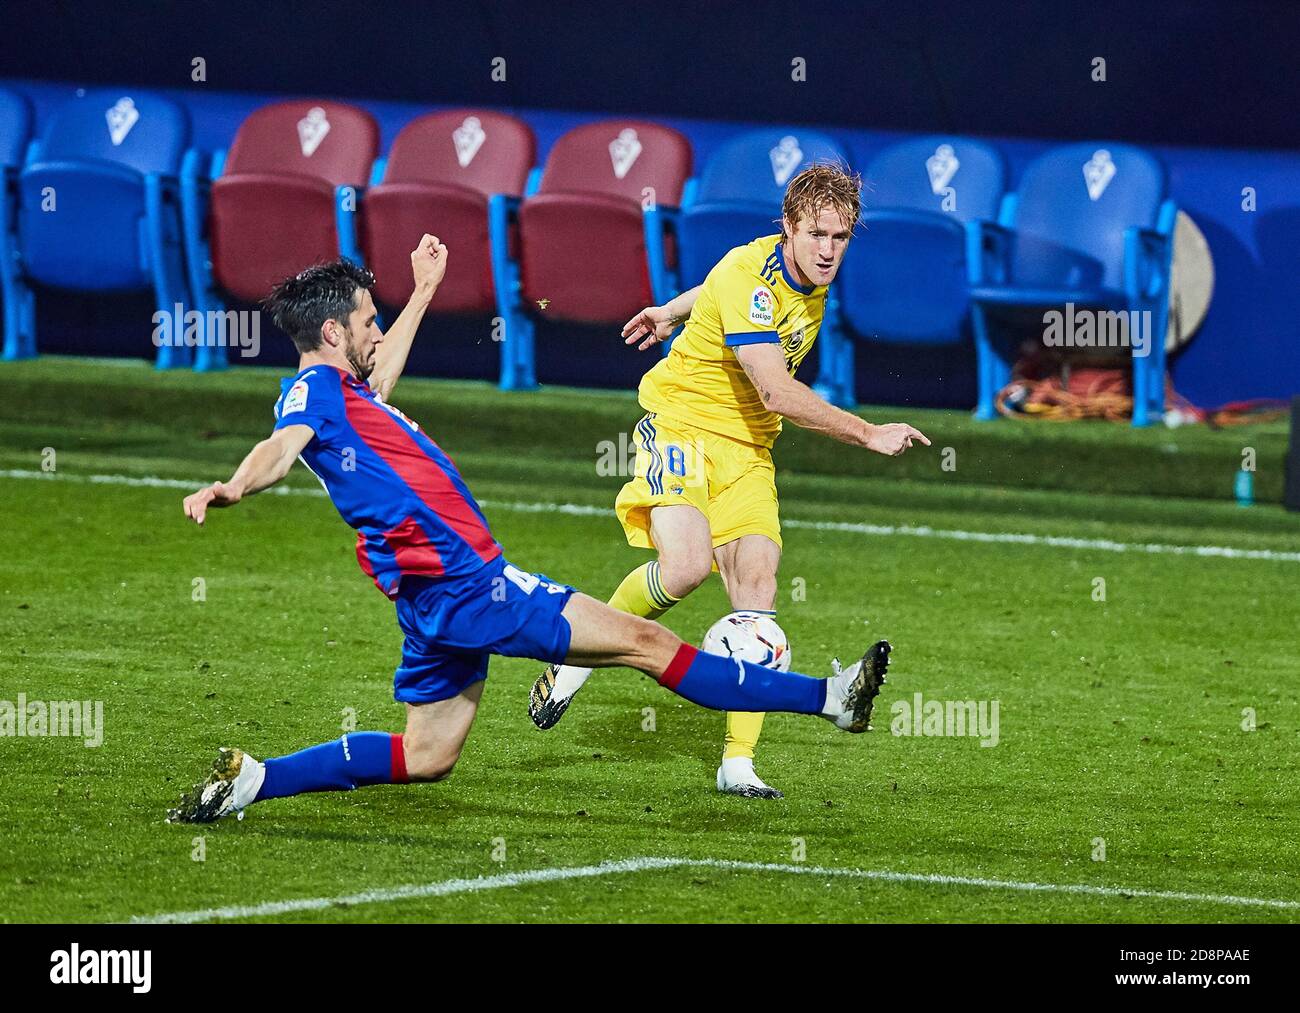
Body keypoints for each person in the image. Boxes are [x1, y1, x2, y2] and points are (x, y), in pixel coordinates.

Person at [167, 238, 891, 824]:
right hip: (470, 583)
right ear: (333, 333)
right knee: (649, 643)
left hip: (431, 601)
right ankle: (831, 697)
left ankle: (254, 781)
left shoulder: (342, 393)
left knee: (427, 756)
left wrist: (421, 292)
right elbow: (281, 446)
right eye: (366, 321)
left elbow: (377, 379)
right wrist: (236, 483)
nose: (377, 331)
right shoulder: (312, 394)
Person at [529, 164, 929, 799]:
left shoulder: (775, 267)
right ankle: (574, 659)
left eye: (842, 237)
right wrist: (867, 432)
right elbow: (774, 388)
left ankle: (736, 764)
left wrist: (671, 310)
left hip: (748, 450)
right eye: (818, 234)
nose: (829, 251)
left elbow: (716, 281)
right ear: (790, 228)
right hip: (682, 425)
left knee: (758, 595)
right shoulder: (755, 280)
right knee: (686, 567)